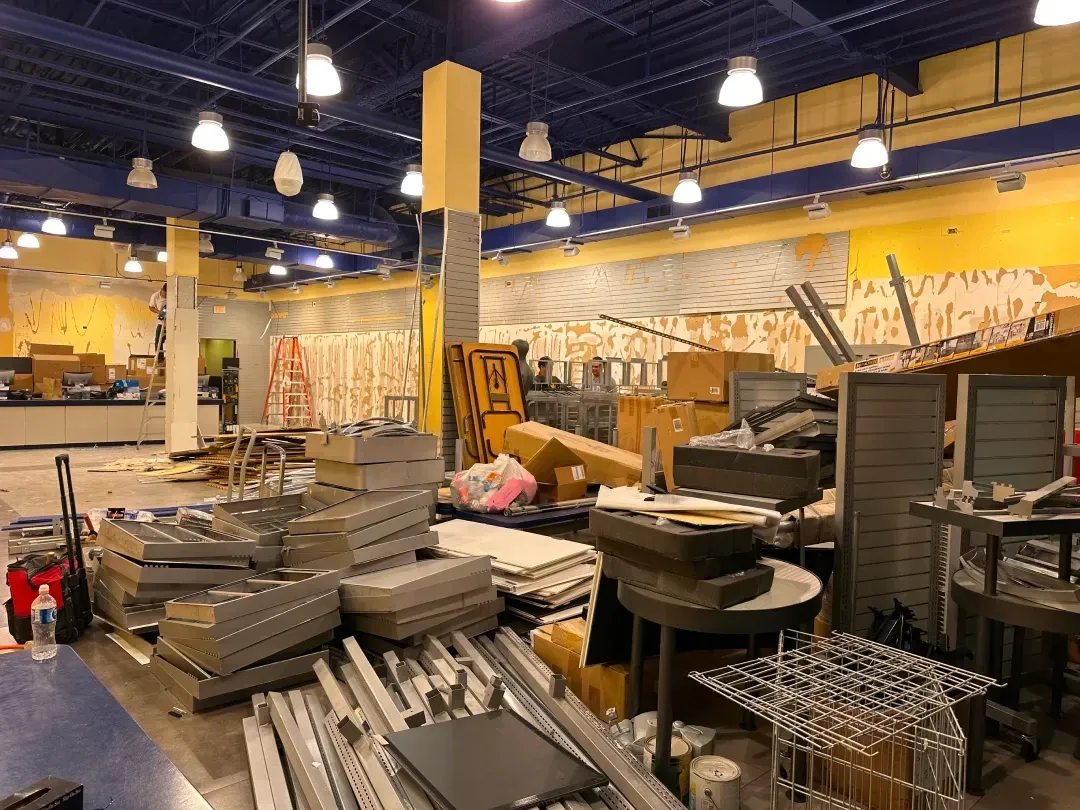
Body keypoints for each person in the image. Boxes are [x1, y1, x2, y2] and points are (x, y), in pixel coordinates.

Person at [149, 282, 167, 360]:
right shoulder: (155, 296)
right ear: (162, 290)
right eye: (165, 294)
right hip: (161, 322)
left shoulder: (173, 295)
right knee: (158, 341)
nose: (166, 296)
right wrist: (158, 311)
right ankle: (159, 358)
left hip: (172, 323)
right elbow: (151, 307)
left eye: (167, 294)